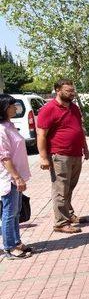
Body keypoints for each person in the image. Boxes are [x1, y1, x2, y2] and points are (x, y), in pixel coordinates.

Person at [36, 79, 89, 234]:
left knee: (69, 188)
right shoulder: (48, 109)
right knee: (60, 189)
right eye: (68, 91)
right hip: (59, 155)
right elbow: (41, 135)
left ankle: (69, 214)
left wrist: (85, 148)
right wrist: (44, 157)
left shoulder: (74, 108)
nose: (72, 94)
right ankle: (60, 223)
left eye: (73, 91)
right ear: (57, 90)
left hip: (75, 154)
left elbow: (79, 129)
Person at [0, 94, 32, 259]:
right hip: (9, 177)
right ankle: (10, 247)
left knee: (15, 211)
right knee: (9, 213)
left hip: (17, 175)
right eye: (13, 105)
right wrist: (16, 177)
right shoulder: (1, 130)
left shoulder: (9, 125)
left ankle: (16, 241)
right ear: (4, 108)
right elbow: (4, 157)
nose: (16, 108)